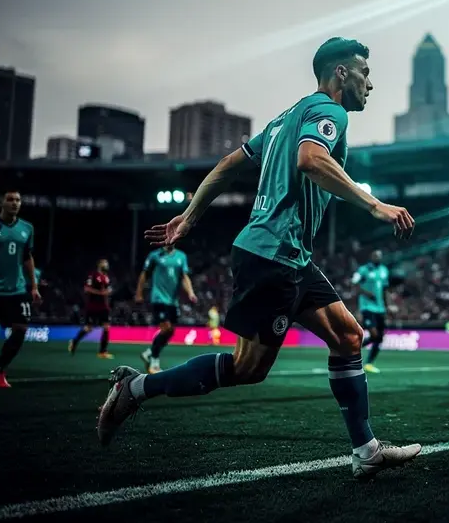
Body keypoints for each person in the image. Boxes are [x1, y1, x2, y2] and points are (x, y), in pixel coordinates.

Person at [96, 37, 421, 478]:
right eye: (365, 72)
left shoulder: (286, 117)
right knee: (248, 368)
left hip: (291, 256)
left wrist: (190, 216)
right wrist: (374, 204)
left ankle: (365, 451)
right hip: (273, 255)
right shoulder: (331, 112)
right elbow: (310, 160)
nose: (371, 83)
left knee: (348, 336)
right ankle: (135, 388)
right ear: (341, 73)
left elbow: (230, 164)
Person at [0, 191, 42, 387]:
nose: (14, 203)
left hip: (17, 290)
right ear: (1, 203)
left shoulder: (26, 228)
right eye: (10, 199)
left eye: (18, 200)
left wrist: (34, 287)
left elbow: (27, 258)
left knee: (20, 329)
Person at [136, 246, 196, 373]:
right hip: (158, 298)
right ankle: (154, 363)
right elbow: (144, 274)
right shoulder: (155, 255)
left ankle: (149, 353)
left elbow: (184, 277)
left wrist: (190, 292)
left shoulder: (181, 256)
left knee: (170, 331)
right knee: (166, 328)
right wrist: (139, 292)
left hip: (172, 301)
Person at [352, 250, 391, 373]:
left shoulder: (384, 270)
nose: (377, 257)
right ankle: (351, 351)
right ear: (371, 256)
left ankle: (369, 363)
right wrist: (367, 293)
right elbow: (354, 285)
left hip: (380, 308)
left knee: (379, 337)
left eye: (379, 256)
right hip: (367, 307)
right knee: (374, 334)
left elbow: (385, 290)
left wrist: (388, 305)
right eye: (375, 255)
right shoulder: (363, 270)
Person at [69, 258, 114, 358]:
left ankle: (103, 351)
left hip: (104, 306)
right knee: (88, 328)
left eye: (107, 263)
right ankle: (74, 341)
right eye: (104, 263)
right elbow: (87, 288)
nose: (106, 264)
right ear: (99, 264)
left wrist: (107, 292)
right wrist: (100, 293)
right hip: (93, 306)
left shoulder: (106, 277)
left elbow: (108, 289)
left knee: (106, 327)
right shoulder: (93, 275)